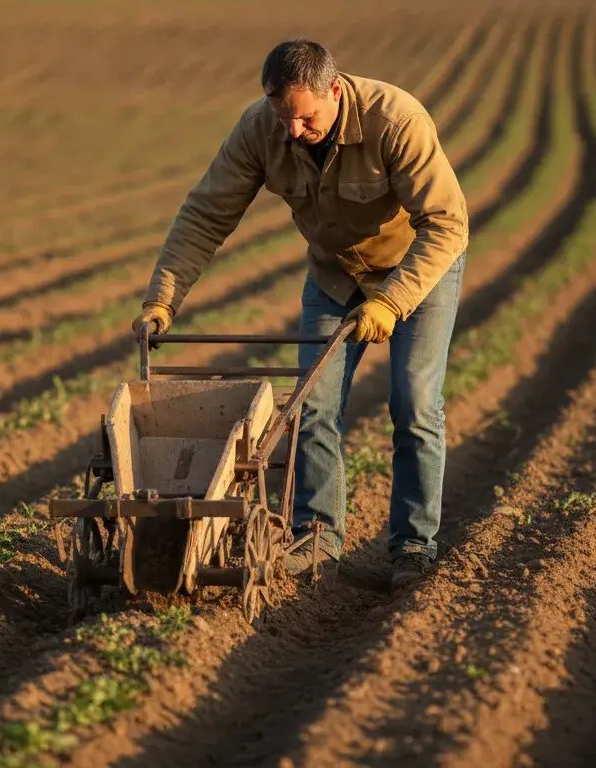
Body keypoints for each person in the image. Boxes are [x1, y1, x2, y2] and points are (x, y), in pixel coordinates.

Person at [130, 39, 468, 590]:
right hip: (335, 275)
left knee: (414, 404)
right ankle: (318, 541)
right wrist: (162, 297)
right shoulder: (262, 127)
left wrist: (391, 301)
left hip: (417, 272)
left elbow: (447, 224)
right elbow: (207, 213)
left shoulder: (395, 119)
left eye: (305, 118)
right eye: (282, 116)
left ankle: (413, 545)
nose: (291, 130)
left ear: (335, 91)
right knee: (312, 407)